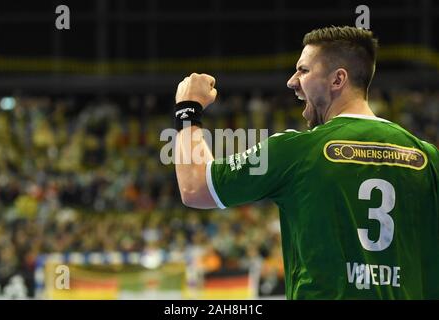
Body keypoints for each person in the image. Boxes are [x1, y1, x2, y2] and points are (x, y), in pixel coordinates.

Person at [172, 26, 439, 299]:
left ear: (338, 80)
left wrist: (187, 110)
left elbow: (196, 188)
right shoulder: (428, 157)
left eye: (303, 70)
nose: (291, 81)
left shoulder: (296, 151)